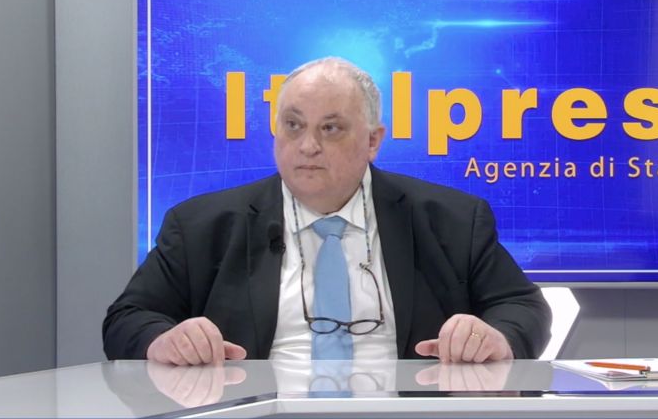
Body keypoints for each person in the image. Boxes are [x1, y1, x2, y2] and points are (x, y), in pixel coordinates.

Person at [103, 57, 551, 365]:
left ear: (372, 141)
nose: (307, 146)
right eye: (293, 125)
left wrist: (496, 337)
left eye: (331, 128)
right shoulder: (202, 225)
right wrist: (164, 340)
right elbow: (127, 319)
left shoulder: (451, 219)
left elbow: (522, 306)